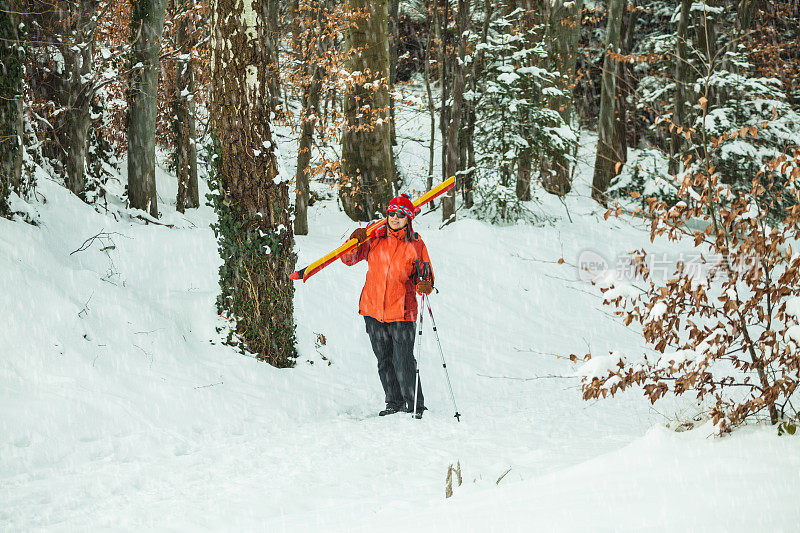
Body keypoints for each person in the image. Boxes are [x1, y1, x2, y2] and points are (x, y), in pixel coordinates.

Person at [341, 193, 435, 419]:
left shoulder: (416, 244)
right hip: (372, 309)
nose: (394, 218)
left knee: (403, 360)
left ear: (408, 218)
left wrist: (424, 284)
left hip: (401, 310)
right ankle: (393, 402)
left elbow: (426, 278)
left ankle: (414, 405)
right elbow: (348, 259)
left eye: (400, 215)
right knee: (384, 360)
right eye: (391, 213)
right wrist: (354, 240)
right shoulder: (375, 238)